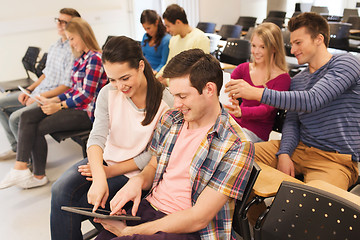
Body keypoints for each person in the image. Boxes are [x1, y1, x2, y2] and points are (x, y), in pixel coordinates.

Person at [94, 49, 254, 240]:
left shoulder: (236, 144)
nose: (176, 103)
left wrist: (129, 231)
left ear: (209, 89)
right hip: (150, 209)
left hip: (189, 228)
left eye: (183, 96)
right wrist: (137, 181)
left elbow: (199, 218)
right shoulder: (171, 119)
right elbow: (154, 164)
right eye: (174, 95)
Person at [50, 36, 173, 240]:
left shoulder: (165, 100)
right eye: (112, 79)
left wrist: (109, 172)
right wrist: (100, 175)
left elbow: (153, 156)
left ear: (141, 66)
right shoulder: (108, 93)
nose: (119, 86)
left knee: (77, 204)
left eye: (125, 78)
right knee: (60, 191)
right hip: (107, 160)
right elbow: (96, 137)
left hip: (136, 174)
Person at [225, 12, 360, 191]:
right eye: (292, 43)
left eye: (298, 43)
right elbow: (292, 121)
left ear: (319, 39)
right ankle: (258, 218)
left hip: (334, 159)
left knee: (316, 204)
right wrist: (285, 153)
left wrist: (257, 93)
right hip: (299, 148)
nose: (292, 49)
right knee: (233, 159)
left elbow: (313, 99)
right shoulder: (298, 79)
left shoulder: (346, 63)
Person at [0, 17, 108, 190]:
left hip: (86, 113)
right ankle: (20, 168)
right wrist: (53, 99)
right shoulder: (81, 59)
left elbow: (86, 96)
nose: (71, 43)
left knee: (36, 126)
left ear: (83, 35)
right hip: (73, 106)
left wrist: (59, 106)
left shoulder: (95, 58)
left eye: (72, 39)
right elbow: (73, 90)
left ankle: (37, 175)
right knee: (28, 116)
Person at [0, 8, 80, 161]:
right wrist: (30, 89)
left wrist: (38, 96)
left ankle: (27, 160)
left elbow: (67, 86)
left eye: (65, 22)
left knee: (16, 118)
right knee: (1, 103)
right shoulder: (55, 45)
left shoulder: (74, 49)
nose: (60, 24)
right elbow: (46, 73)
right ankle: (17, 148)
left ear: (75, 25)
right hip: (39, 91)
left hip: (53, 96)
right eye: (58, 20)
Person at [224, 22, 291, 143]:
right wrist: (231, 100)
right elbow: (226, 89)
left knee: (226, 142)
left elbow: (266, 110)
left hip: (256, 131)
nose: (256, 51)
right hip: (234, 122)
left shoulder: (283, 78)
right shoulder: (243, 68)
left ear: (274, 48)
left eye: (263, 47)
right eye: (254, 46)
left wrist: (241, 112)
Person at [156, 4, 210, 85]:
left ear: (178, 22)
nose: (167, 30)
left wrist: (167, 81)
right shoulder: (173, 39)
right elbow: (169, 63)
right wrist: (158, 76)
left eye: (168, 26)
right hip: (173, 83)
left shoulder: (200, 39)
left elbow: (199, 72)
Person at [140, 9, 171, 74]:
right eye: (145, 29)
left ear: (156, 23)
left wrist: (154, 72)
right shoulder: (145, 36)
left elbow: (164, 64)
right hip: (144, 70)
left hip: (157, 73)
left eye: (148, 28)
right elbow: (142, 56)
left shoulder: (166, 40)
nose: (147, 32)